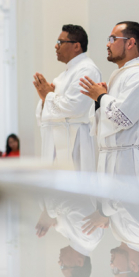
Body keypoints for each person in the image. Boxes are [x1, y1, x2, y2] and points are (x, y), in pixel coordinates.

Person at [79, 21, 139, 178]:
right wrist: (98, 101)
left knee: (129, 203)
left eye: (113, 39)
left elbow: (122, 118)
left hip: (129, 162)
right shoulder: (119, 75)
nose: (108, 44)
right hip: (108, 157)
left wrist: (101, 96)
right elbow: (102, 124)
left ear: (130, 43)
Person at [35, 24, 100, 171]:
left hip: (75, 142)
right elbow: (50, 111)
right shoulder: (64, 75)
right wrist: (46, 99)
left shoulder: (87, 69)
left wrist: (48, 96)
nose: (56, 47)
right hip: (58, 141)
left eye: (60, 42)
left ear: (76, 46)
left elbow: (74, 107)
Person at [35, 194, 103, 277]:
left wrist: (48, 213)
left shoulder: (72, 238)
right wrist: (49, 214)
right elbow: (72, 199)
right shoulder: (89, 237)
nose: (59, 262)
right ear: (79, 262)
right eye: (63, 266)